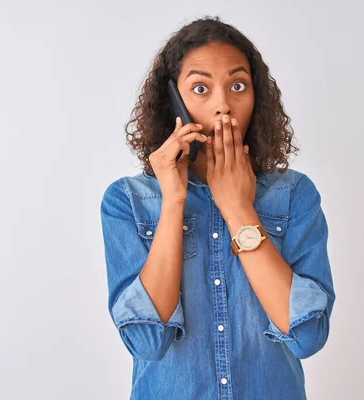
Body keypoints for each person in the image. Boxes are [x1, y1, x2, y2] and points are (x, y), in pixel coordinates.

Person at [100, 15, 335, 400]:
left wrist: (238, 209)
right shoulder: (128, 201)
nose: (223, 105)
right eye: (200, 89)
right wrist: (173, 201)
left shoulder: (294, 195)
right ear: (173, 101)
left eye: (237, 85)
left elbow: (307, 336)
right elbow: (147, 340)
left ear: (257, 97)